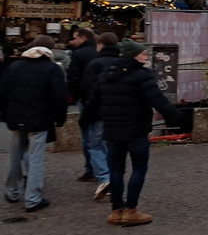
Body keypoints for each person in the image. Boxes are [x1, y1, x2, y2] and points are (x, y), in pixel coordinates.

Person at [81, 38, 183, 226]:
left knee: (116, 170)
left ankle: (116, 210)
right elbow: (158, 100)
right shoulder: (141, 75)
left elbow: (93, 102)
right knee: (139, 168)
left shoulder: (105, 75)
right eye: (143, 54)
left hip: (113, 129)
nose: (146, 57)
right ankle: (131, 209)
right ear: (134, 56)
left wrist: (84, 121)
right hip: (136, 129)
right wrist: (178, 118)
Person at [1, 36, 68, 212]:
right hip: (39, 118)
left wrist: (5, 115)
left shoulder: (15, 66)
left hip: (15, 117)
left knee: (15, 157)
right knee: (35, 159)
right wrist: (60, 118)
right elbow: (60, 96)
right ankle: (32, 198)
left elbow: (3, 92)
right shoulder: (52, 69)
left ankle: (12, 191)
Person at [77, 32, 120, 201]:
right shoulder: (123, 63)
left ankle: (104, 177)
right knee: (113, 146)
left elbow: (88, 90)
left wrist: (86, 113)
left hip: (99, 112)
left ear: (100, 45)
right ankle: (114, 178)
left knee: (95, 145)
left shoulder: (95, 64)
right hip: (118, 112)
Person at [66, 27, 101, 183]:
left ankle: (91, 169)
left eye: (75, 38)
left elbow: (72, 77)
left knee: (87, 135)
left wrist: (77, 96)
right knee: (101, 136)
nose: (72, 41)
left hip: (85, 99)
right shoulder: (100, 51)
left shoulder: (79, 53)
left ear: (83, 38)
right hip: (102, 99)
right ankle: (101, 168)